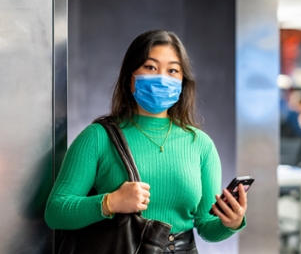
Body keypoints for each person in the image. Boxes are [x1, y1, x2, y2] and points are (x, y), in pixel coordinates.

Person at [44, 30, 247, 252]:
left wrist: (231, 222)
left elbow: (206, 226)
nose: (162, 78)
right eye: (150, 67)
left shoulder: (200, 144)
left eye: (172, 70)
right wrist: (109, 202)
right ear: (130, 77)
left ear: (182, 81)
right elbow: (55, 212)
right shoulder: (98, 136)